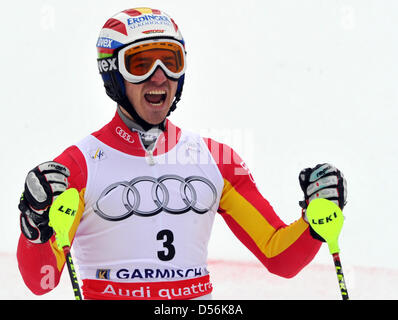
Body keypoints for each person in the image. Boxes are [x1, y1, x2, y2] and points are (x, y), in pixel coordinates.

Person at [17, 7, 347, 300]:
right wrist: (35, 224)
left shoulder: (218, 160)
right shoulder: (78, 167)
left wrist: (316, 220)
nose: (159, 76)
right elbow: (41, 282)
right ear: (113, 74)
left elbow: (280, 258)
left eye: (171, 61)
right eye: (141, 63)